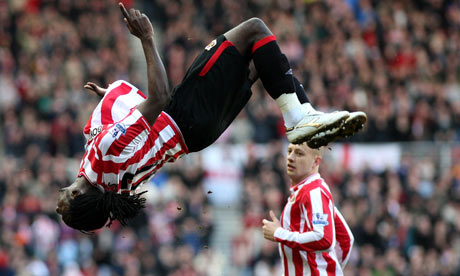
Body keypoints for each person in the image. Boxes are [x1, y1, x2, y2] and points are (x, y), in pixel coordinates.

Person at [56, 3, 359, 232]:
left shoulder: (103, 184)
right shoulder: (103, 154)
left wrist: (111, 97)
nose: (58, 208)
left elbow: (126, 140)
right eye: (65, 209)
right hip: (185, 112)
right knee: (255, 30)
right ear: (80, 198)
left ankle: (305, 116)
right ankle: (298, 119)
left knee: (257, 62)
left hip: (197, 135)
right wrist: (147, 38)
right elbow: (159, 99)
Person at [262, 143, 354, 275]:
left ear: (316, 161)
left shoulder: (314, 191)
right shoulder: (310, 190)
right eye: (289, 151)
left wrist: (279, 233)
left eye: (299, 153)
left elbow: (323, 238)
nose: (290, 158)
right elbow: (346, 239)